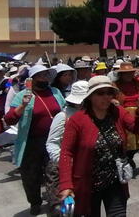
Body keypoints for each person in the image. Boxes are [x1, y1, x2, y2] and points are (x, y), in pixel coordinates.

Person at [58, 76, 139, 217]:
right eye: (100, 93)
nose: (106, 97)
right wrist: (66, 184)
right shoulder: (77, 120)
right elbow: (66, 153)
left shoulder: (118, 112)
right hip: (88, 184)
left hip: (115, 181)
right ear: (90, 97)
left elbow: (136, 128)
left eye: (109, 93)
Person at [5, 64, 65, 215]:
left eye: (46, 75)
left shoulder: (55, 92)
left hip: (54, 140)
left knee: (54, 173)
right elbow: (9, 119)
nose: (44, 78)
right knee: (31, 176)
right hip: (31, 142)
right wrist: (23, 105)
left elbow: (65, 110)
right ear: (32, 79)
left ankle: (55, 204)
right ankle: (35, 202)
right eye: (40, 75)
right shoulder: (22, 95)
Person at [45, 81, 89, 216]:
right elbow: (51, 143)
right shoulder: (62, 116)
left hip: (83, 166)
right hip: (62, 166)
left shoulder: (92, 114)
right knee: (61, 206)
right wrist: (63, 160)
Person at [114, 62, 139, 171]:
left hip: (138, 112)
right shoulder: (114, 85)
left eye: (131, 73)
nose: (129, 75)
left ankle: (130, 157)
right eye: (126, 73)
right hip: (123, 113)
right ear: (121, 74)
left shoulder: (137, 82)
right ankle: (126, 158)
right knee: (127, 141)